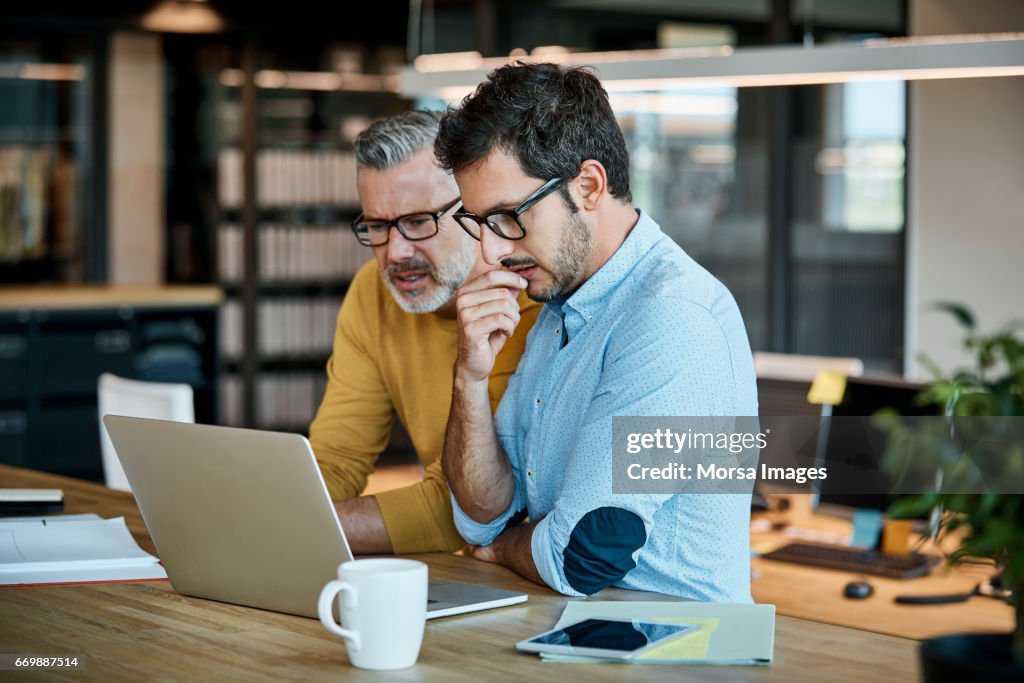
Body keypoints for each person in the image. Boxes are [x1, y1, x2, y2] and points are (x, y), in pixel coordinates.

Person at [437, 63, 757, 601]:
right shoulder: (560, 306)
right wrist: (469, 378)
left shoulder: (672, 318)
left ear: (588, 185)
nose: (491, 252)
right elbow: (483, 516)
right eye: (479, 224)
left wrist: (504, 550)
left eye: (509, 217)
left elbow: (584, 555)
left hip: (675, 653)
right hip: (578, 637)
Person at [309, 110, 540, 555]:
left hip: (549, 583)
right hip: (472, 573)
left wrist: (299, 527)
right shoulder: (371, 294)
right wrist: (264, 512)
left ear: (473, 208)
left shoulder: (529, 301)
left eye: (419, 222)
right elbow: (335, 461)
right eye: (377, 226)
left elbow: (468, 507)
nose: (396, 252)